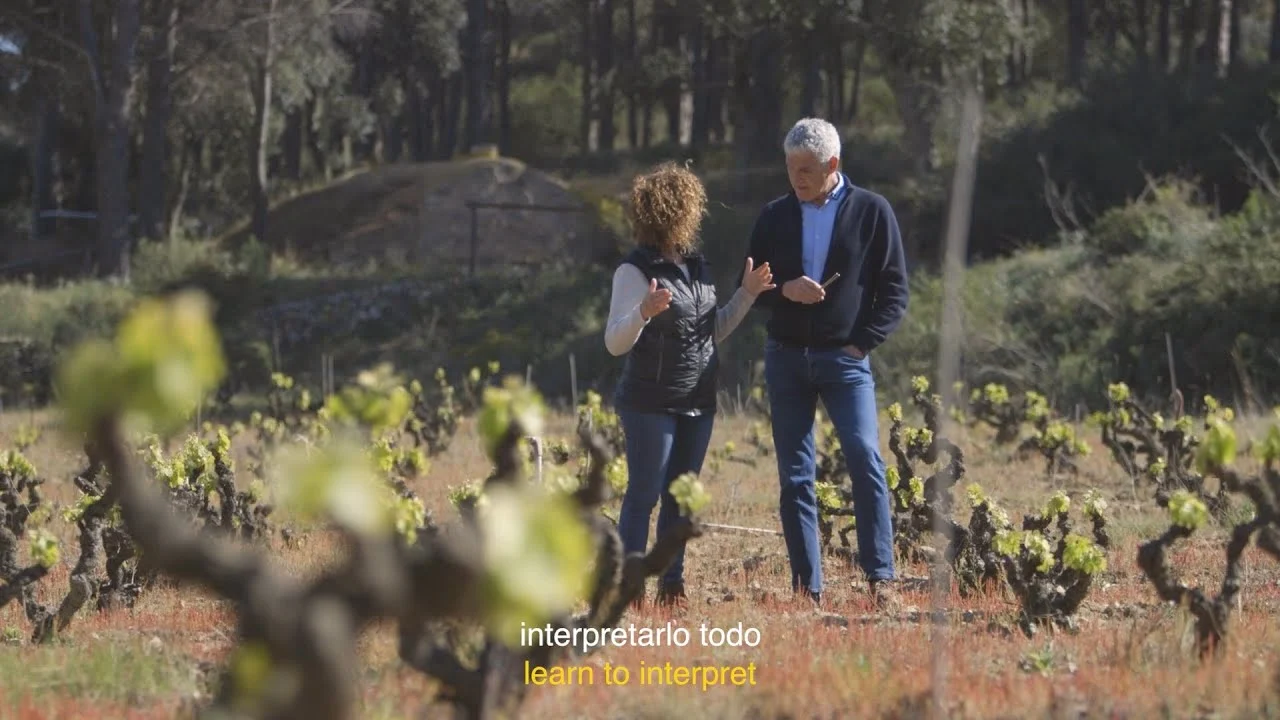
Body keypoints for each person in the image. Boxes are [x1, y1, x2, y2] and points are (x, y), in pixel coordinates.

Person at [740, 117, 909, 609]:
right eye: (791, 167)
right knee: (795, 475)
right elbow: (749, 287)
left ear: (832, 164)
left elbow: (895, 289)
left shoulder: (873, 211)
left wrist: (863, 343)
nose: (797, 177)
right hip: (785, 358)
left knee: (865, 458)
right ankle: (807, 588)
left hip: (845, 361)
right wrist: (784, 290)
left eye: (807, 169)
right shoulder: (773, 216)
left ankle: (880, 577)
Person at [605, 161, 775, 607]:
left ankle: (672, 585)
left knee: (680, 498)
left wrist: (748, 293)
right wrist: (643, 312)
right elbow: (614, 343)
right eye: (689, 209)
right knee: (644, 495)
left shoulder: (697, 267)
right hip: (649, 402)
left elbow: (710, 331)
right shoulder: (634, 271)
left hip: (697, 401)